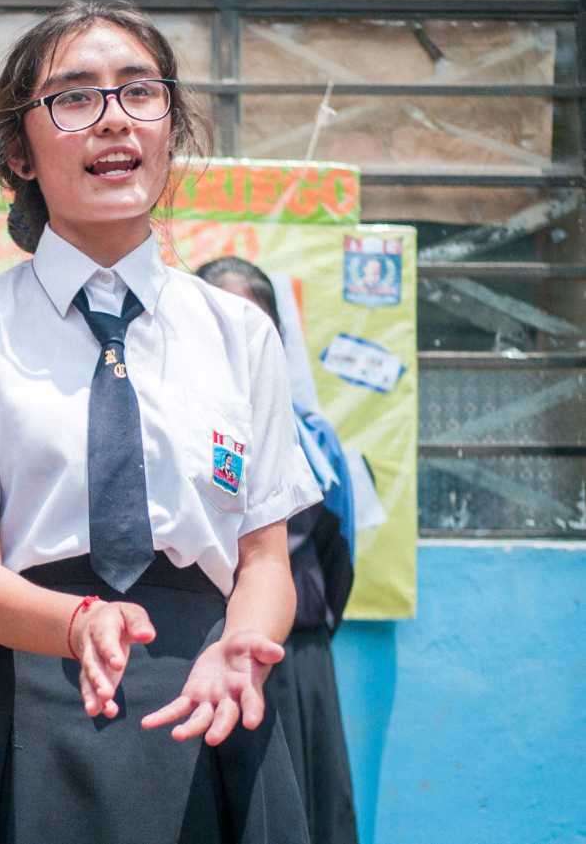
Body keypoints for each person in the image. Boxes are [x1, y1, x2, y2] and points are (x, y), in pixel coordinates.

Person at [0, 0, 324, 844]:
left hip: (207, 695)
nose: (113, 119)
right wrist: (79, 621)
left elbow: (264, 560)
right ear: (20, 149)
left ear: (171, 127)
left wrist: (244, 643)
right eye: (76, 97)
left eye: (139, 92)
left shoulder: (240, 333)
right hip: (21, 689)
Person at [196, 256, 360, 844]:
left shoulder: (313, 437)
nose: (241, 340)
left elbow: (338, 550)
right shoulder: (174, 427)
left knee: (301, 810)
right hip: (202, 652)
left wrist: (299, 628)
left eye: (256, 323)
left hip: (297, 658)